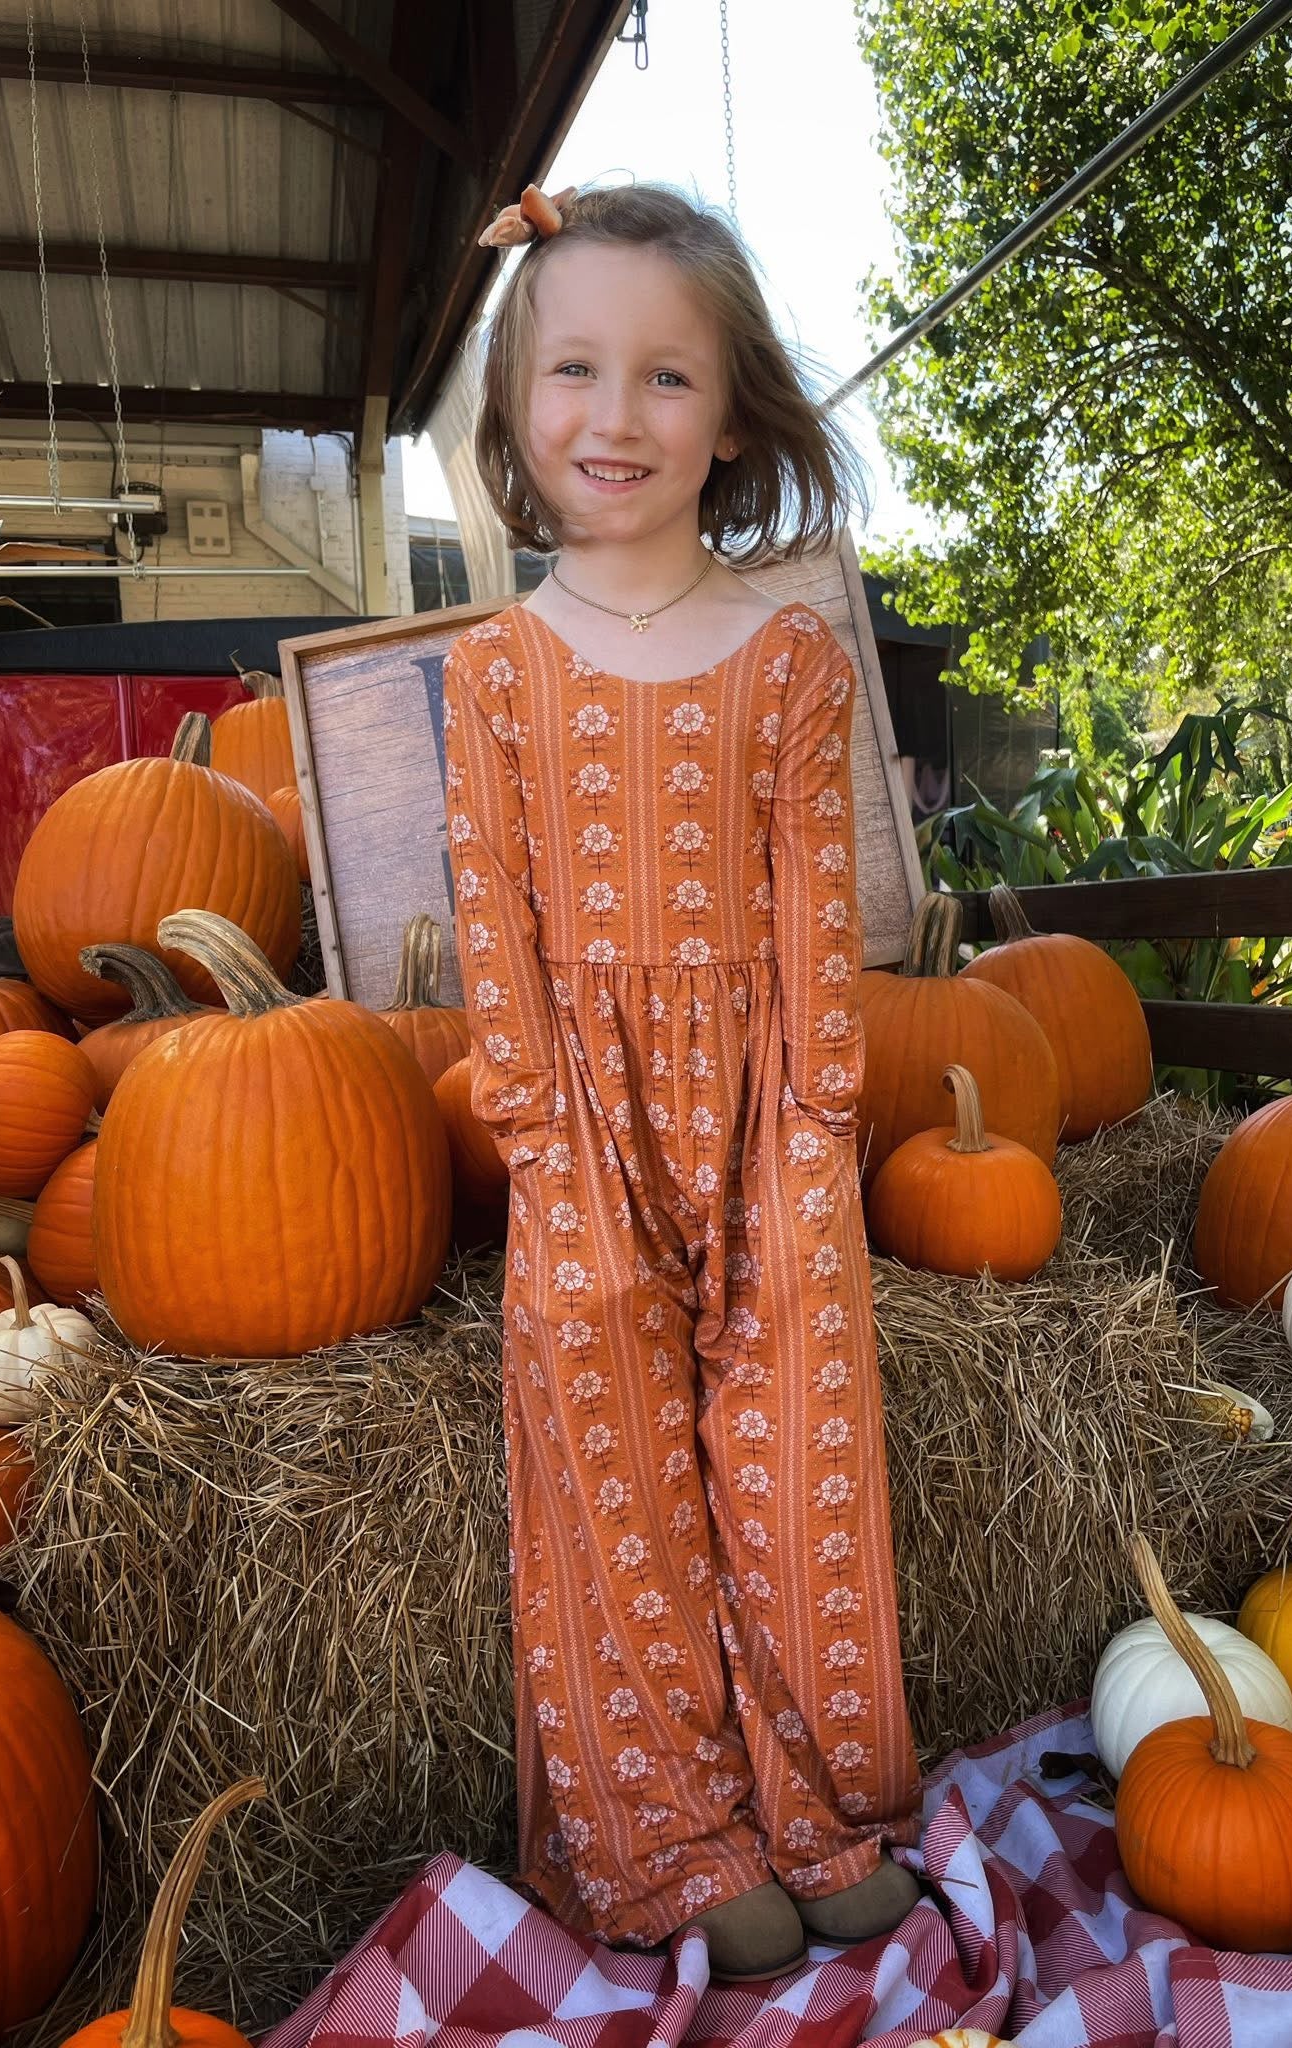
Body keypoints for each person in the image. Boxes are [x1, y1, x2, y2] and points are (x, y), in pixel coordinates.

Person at [441, 180, 922, 1982]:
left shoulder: (787, 657)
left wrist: (813, 1126)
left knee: (796, 1440)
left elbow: (818, 914)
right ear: (516, 409)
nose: (615, 418)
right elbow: (498, 919)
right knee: (609, 1464)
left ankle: (816, 1801)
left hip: (766, 1117)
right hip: (577, 1127)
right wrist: (542, 1138)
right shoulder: (493, 673)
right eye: (576, 372)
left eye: (664, 379)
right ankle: (668, 1828)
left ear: (732, 420)